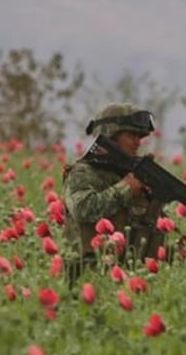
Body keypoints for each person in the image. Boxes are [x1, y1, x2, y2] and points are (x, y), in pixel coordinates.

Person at [62, 103, 167, 281]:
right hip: (88, 277)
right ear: (110, 136)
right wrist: (125, 188)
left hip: (131, 277)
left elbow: (153, 230)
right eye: (131, 135)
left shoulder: (135, 177)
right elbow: (82, 208)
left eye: (140, 136)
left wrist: (175, 249)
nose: (137, 142)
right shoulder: (83, 173)